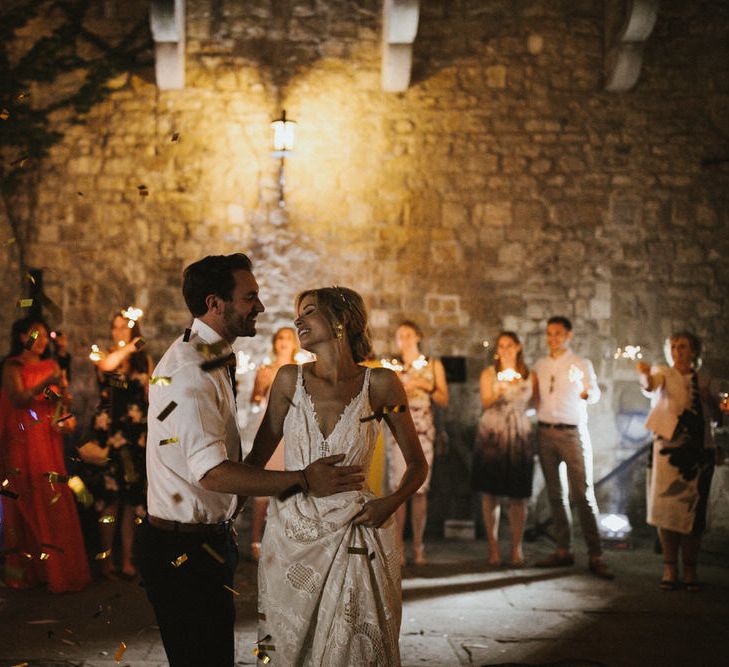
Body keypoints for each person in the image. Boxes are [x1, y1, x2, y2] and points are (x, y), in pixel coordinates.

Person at [134, 254, 364, 667]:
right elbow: (213, 473)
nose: (259, 306)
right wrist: (304, 480)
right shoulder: (190, 370)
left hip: (205, 538)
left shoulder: (214, 355)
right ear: (215, 303)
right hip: (181, 549)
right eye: (249, 297)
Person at [248, 287, 428, 665]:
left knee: (353, 651)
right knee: (289, 650)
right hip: (291, 537)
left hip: (358, 532)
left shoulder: (381, 385)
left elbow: (417, 464)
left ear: (340, 321)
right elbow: (255, 461)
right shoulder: (287, 381)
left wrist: (389, 503)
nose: (298, 320)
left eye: (309, 312)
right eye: (298, 313)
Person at [0, 317, 90, 593]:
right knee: (24, 494)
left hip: (46, 438)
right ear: (21, 336)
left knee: (50, 495)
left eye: (43, 337)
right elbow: (18, 398)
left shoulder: (51, 366)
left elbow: (56, 400)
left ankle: (55, 570)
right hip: (22, 436)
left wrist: (64, 400)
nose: (40, 342)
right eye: (34, 335)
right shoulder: (12, 366)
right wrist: (45, 384)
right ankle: (25, 570)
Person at [637, 332, 720, 591]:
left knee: (692, 511)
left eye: (682, 347)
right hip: (669, 451)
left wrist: (709, 399)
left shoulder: (706, 379)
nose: (677, 351)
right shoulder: (664, 372)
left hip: (697, 453)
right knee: (667, 509)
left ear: (694, 351)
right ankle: (670, 567)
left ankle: (691, 570)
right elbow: (652, 384)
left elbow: (719, 415)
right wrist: (644, 374)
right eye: (673, 347)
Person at [532, 316, 613, 579]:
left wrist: (586, 393)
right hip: (545, 431)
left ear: (569, 335)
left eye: (558, 333)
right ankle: (563, 549)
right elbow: (535, 398)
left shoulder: (580, 363)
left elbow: (594, 393)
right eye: (549, 334)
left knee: (582, 494)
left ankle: (595, 553)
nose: (553, 338)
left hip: (572, 432)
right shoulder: (540, 365)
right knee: (555, 494)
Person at [78, 309, 153, 579]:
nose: (119, 332)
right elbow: (107, 367)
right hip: (109, 433)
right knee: (110, 499)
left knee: (133, 499)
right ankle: (107, 558)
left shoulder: (143, 359)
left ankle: (129, 559)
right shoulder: (105, 355)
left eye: (124, 327)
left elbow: (151, 390)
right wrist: (128, 348)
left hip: (135, 433)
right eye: (116, 327)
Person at [385, 320, 448, 565]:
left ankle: (419, 546)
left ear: (418, 336)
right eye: (400, 335)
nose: (405, 339)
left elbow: (443, 399)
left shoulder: (432, 365)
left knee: (420, 490)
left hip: (423, 432)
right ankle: (398, 546)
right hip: (398, 431)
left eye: (409, 334)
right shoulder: (392, 366)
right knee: (398, 489)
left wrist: (423, 384)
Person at [471, 331, 534, 567]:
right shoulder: (489, 374)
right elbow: (485, 403)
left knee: (519, 494)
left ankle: (516, 547)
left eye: (509, 345)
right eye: (501, 345)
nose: (505, 349)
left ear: (518, 347)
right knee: (490, 491)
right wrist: (498, 392)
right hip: (493, 432)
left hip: (518, 432)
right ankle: (494, 547)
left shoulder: (529, 375)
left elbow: (536, 404)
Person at [248, 326, 299, 560]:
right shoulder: (266, 370)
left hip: (292, 430)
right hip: (269, 425)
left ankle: (286, 540)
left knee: (288, 483)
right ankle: (256, 540)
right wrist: (260, 387)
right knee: (263, 482)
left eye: (288, 338)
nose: (284, 342)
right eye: (280, 338)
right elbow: (255, 402)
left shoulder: (300, 372)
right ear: (275, 343)